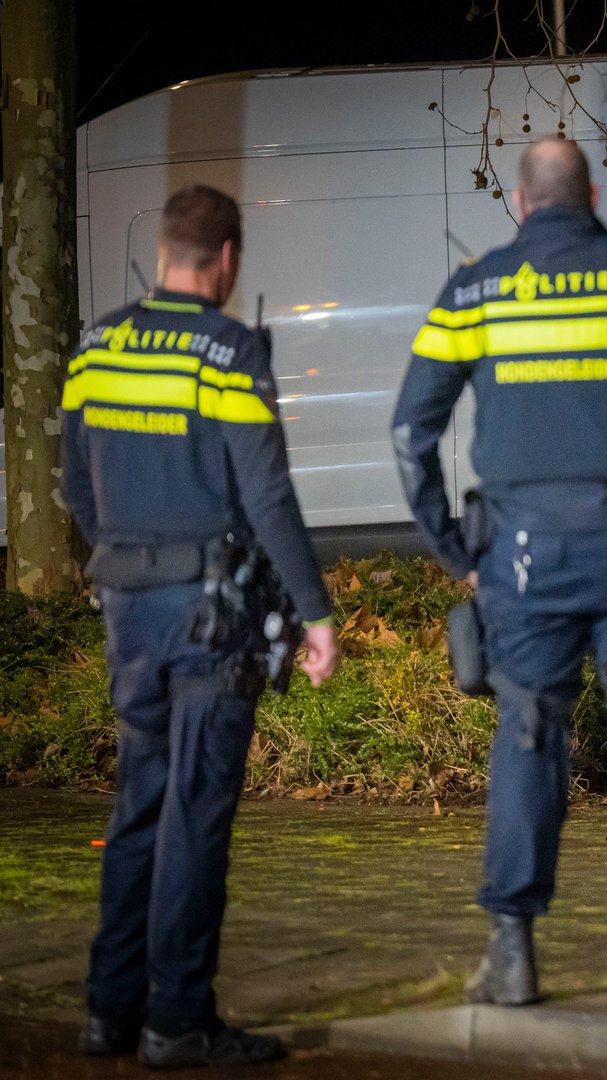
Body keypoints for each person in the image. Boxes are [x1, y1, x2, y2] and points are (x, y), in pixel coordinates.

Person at [392, 139, 607, 1003]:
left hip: (521, 554)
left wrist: (453, 547)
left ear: (520, 201)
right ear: (592, 196)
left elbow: (410, 432)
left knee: (527, 733)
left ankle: (512, 954)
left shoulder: (473, 290)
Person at [63, 185, 340, 1067]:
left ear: (164, 253)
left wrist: (120, 555)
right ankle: (178, 1020)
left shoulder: (96, 344)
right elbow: (267, 494)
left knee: (139, 801)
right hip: (209, 617)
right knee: (195, 812)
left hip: (128, 611)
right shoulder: (228, 349)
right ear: (225, 260)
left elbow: (74, 484)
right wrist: (315, 611)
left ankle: (110, 1010)